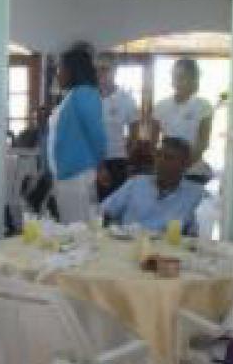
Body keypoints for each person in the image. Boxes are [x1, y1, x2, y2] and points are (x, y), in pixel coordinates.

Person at [48, 44, 107, 224]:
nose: (58, 74)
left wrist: (100, 165)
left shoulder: (85, 93)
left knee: (77, 229)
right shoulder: (72, 95)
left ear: (73, 70)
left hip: (77, 173)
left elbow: (97, 135)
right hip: (66, 173)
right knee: (72, 226)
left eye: (61, 68)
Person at [100, 136, 204, 234]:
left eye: (169, 158)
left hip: (166, 245)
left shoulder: (194, 194)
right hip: (129, 241)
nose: (160, 161)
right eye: (158, 155)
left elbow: (195, 234)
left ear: (185, 164)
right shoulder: (136, 183)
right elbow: (104, 211)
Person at [151, 57, 213, 183]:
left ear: (193, 79)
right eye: (174, 76)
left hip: (193, 171)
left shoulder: (203, 106)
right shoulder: (161, 106)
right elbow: (153, 141)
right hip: (165, 170)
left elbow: (203, 142)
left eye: (182, 77)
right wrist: (162, 165)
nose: (176, 81)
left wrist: (181, 166)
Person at [96, 55, 140, 201]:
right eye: (97, 70)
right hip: (91, 160)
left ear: (114, 71)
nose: (100, 73)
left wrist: (128, 158)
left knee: (114, 204)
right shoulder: (89, 97)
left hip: (117, 160)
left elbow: (134, 132)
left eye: (104, 69)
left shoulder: (126, 99)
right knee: (92, 205)